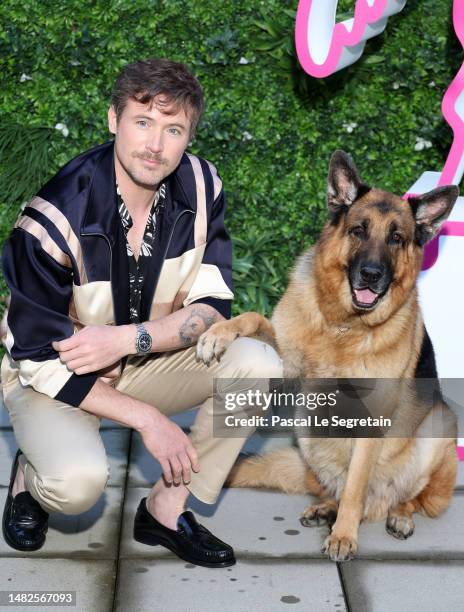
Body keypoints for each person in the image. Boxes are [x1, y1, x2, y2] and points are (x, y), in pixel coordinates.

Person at [1, 58, 282, 568]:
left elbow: (211, 305)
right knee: (76, 487)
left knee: (258, 364)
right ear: (113, 120)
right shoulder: (52, 219)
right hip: (53, 376)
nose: (155, 144)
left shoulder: (201, 187)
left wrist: (128, 340)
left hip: (145, 360)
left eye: (173, 129)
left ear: (189, 136)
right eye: (143, 121)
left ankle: (166, 511)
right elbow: (37, 355)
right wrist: (150, 420)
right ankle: (31, 474)